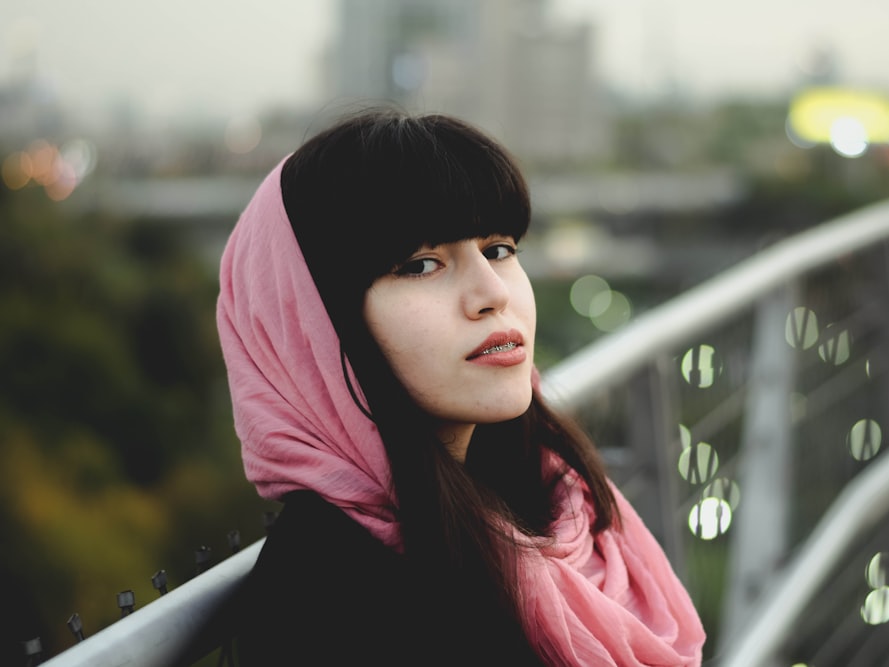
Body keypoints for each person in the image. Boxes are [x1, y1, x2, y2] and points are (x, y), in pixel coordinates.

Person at [216, 106, 705, 666]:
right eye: (421, 265)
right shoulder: (328, 596)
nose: (492, 291)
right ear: (310, 329)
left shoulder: (547, 497)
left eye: (499, 249)